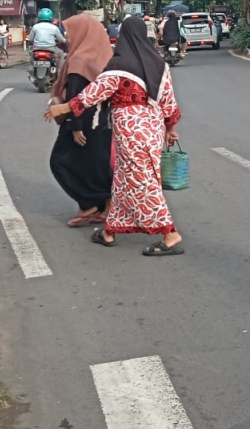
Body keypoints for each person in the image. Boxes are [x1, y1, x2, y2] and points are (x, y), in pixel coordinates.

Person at [44, 14, 184, 255]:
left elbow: (94, 93)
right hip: (152, 131)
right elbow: (168, 102)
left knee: (143, 183)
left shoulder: (119, 67)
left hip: (131, 133)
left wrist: (65, 107)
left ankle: (170, 234)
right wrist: (170, 128)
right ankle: (110, 231)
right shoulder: (159, 65)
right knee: (123, 180)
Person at [49, 16, 115, 228]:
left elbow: (76, 96)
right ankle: (105, 206)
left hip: (83, 123)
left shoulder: (79, 60)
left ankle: (89, 204)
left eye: (70, 32)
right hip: (104, 122)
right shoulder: (107, 57)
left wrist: (75, 127)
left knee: (60, 161)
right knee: (96, 166)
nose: (67, 37)